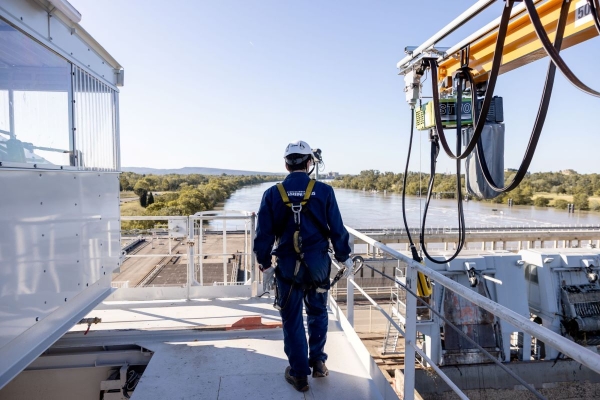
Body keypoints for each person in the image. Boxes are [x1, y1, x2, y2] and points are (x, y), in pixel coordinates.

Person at [254, 140, 355, 392]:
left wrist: (265, 265)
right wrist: (344, 256)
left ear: (286, 165)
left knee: (292, 319)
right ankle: (318, 362)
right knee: (318, 312)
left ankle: (300, 375)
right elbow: (337, 230)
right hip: (319, 264)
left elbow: (263, 236)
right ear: (309, 163)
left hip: (288, 266)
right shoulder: (324, 191)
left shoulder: (272, 194)